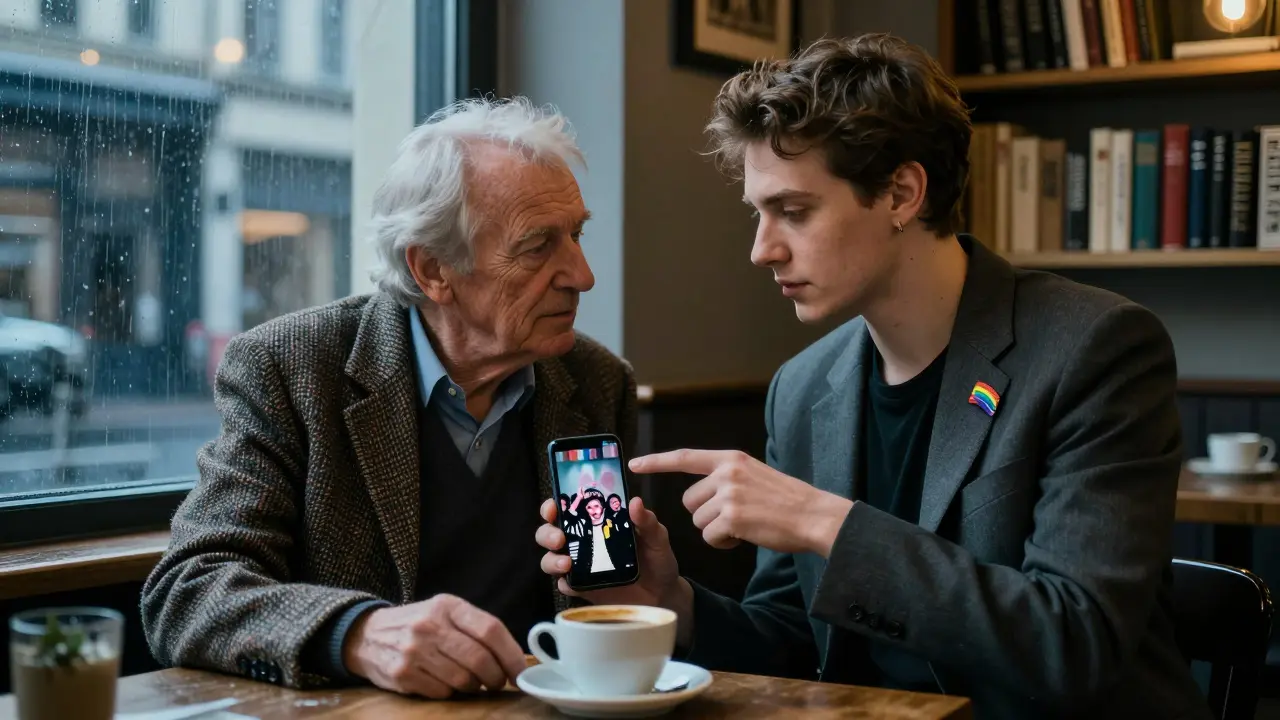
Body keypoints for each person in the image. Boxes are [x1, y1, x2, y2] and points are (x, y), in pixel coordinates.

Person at [536, 35, 1211, 719]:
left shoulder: (1095, 349)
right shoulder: (802, 389)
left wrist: (824, 521)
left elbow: (1075, 642)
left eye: (794, 212)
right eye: (758, 213)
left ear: (902, 193)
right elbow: (801, 647)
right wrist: (672, 605)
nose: (761, 249)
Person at [142, 96, 638, 698]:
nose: (582, 274)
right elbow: (187, 591)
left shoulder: (594, 381)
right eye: (538, 246)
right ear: (432, 270)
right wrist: (360, 633)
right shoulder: (294, 366)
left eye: (577, 235)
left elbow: (602, 588)